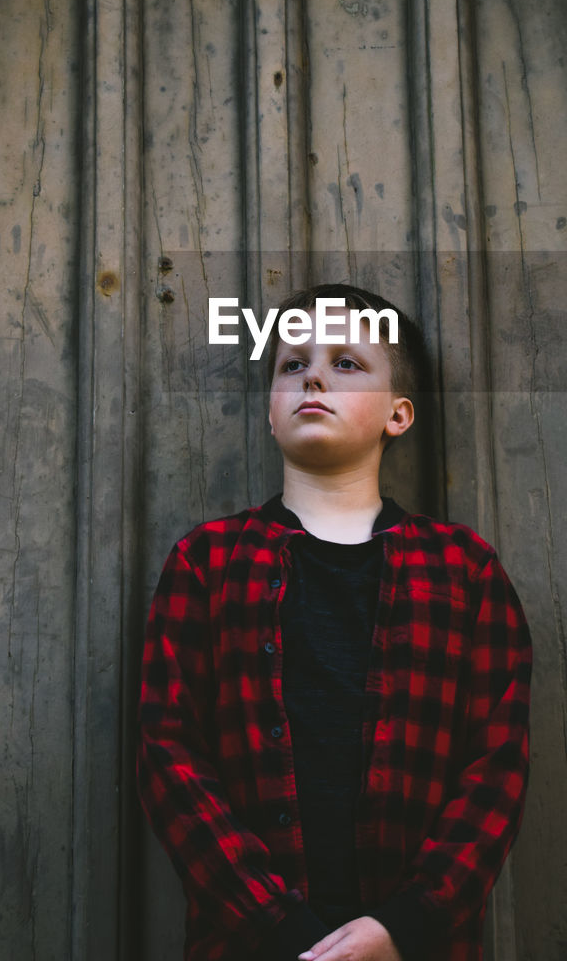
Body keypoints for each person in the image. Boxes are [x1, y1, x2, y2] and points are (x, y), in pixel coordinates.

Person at [137, 284, 532, 961]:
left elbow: (496, 768)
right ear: (269, 412)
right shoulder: (204, 563)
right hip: (251, 943)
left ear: (398, 414)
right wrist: (277, 929)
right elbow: (169, 757)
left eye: (346, 363)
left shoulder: (465, 572)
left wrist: (406, 924)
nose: (313, 374)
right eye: (292, 365)